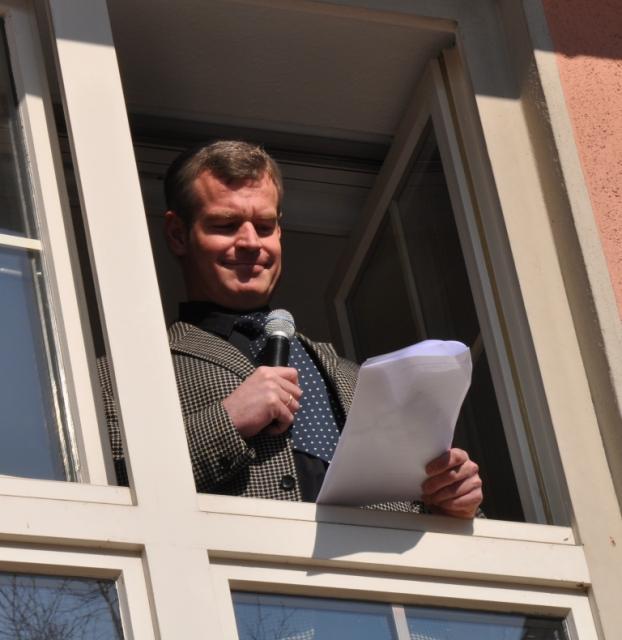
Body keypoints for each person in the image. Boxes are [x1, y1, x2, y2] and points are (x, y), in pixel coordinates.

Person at [99, 140, 483, 518]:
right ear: (178, 235)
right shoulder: (126, 372)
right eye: (226, 225)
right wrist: (228, 420)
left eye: (265, 226)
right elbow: (105, 484)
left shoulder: (355, 377)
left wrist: (451, 500)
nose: (251, 243)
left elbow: (423, 509)